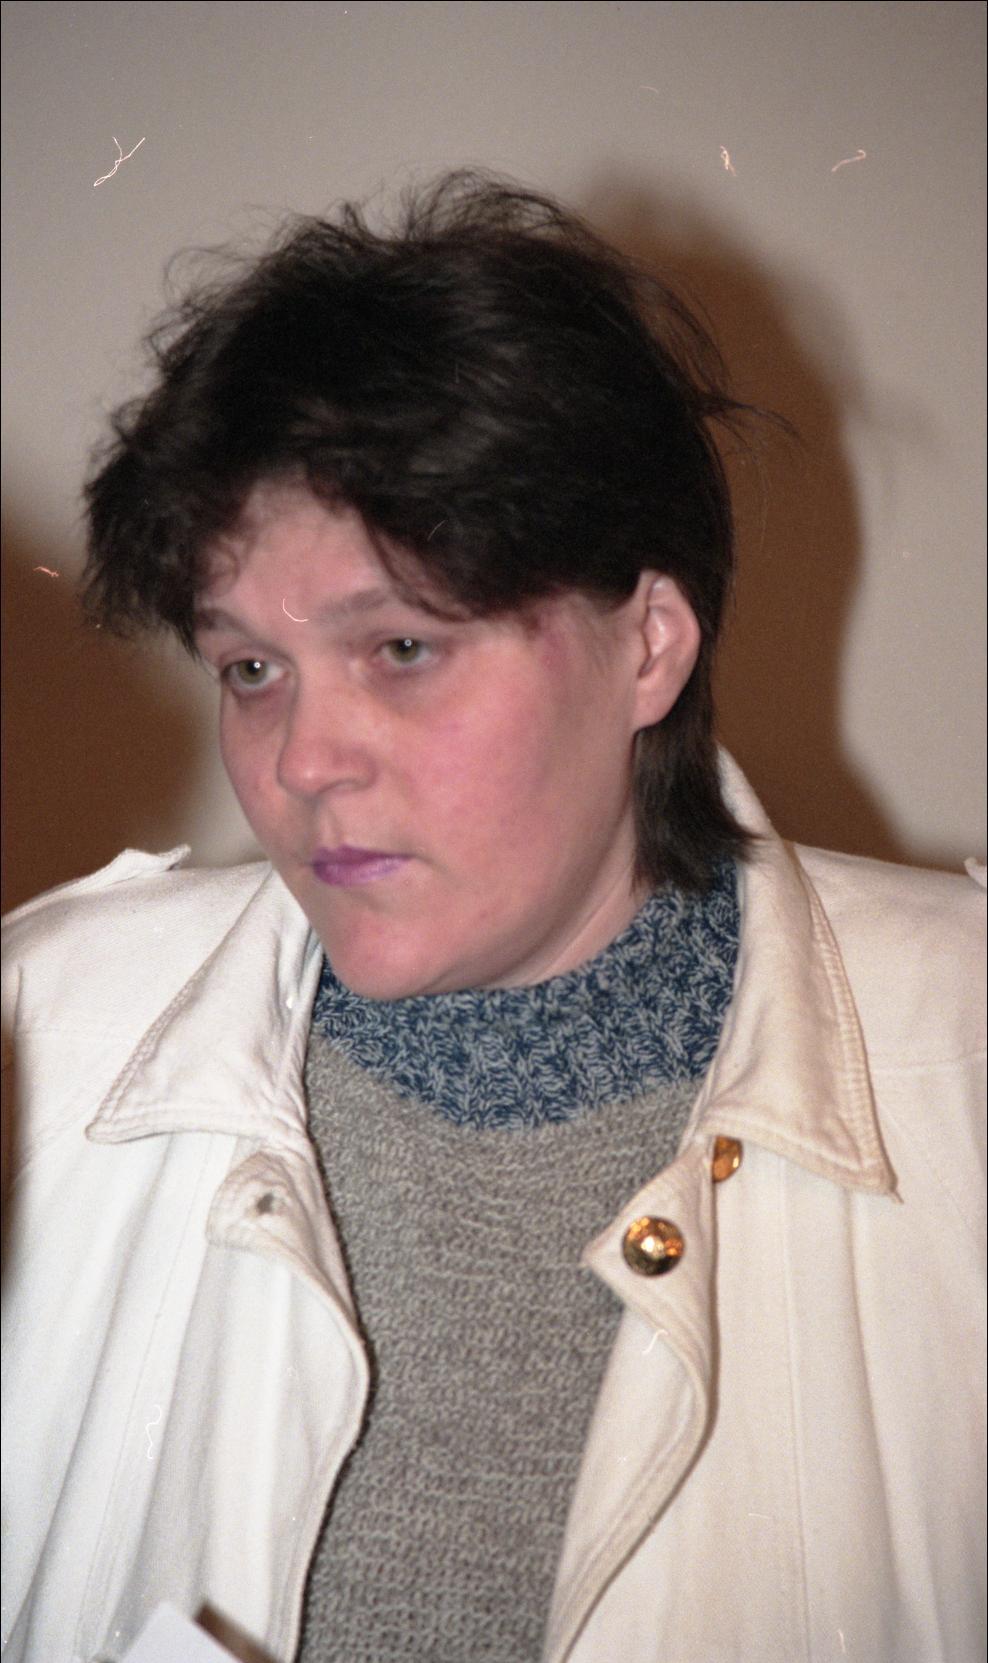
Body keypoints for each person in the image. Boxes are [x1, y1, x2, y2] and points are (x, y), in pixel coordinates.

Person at [1, 174, 984, 1663]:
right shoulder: (39, 1042)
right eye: (252, 669)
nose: (302, 760)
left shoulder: (964, 1064)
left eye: (402, 647)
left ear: (647, 645)